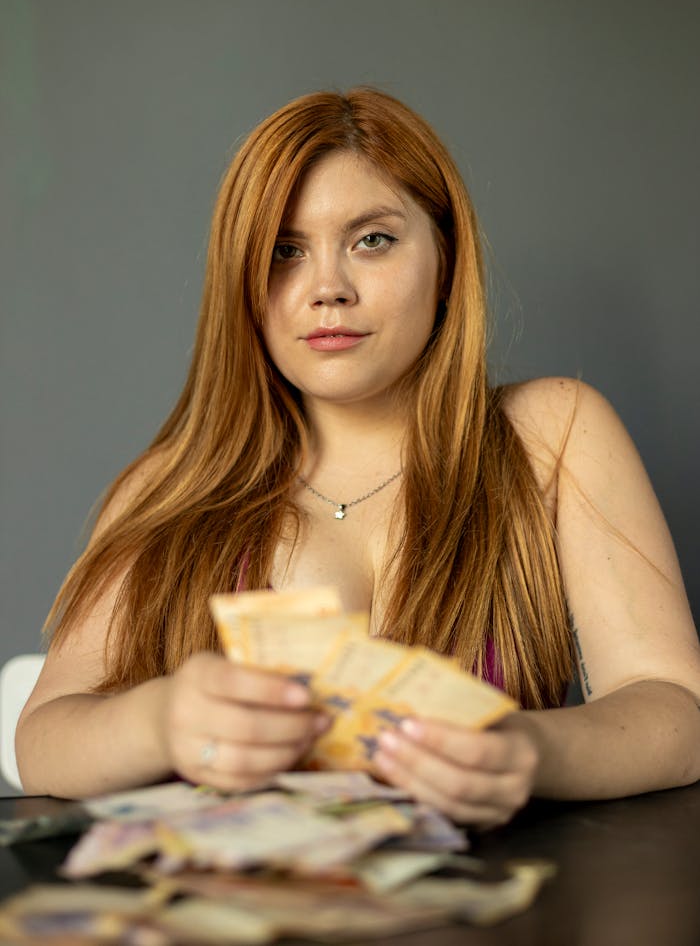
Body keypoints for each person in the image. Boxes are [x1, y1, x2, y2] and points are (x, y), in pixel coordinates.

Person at [16, 88, 700, 826]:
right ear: (242, 279)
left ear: (446, 259)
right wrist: (160, 722)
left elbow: (677, 710)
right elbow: (44, 739)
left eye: (372, 239)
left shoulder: (553, 434)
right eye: (285, 251)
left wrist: (529, 749)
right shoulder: (167, 489)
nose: (328, 290)